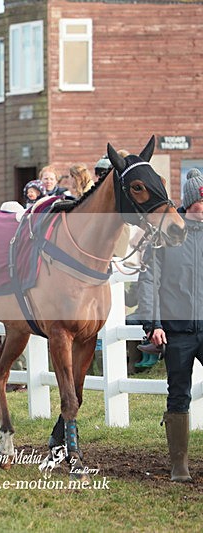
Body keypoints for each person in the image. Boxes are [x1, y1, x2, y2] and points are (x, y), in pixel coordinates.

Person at [137, 168, 203, 482]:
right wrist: (153, 324)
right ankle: (180, 465)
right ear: (192, 202)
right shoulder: (165, 236)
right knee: (178, 394)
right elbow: (148, 281)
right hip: (176, 332)